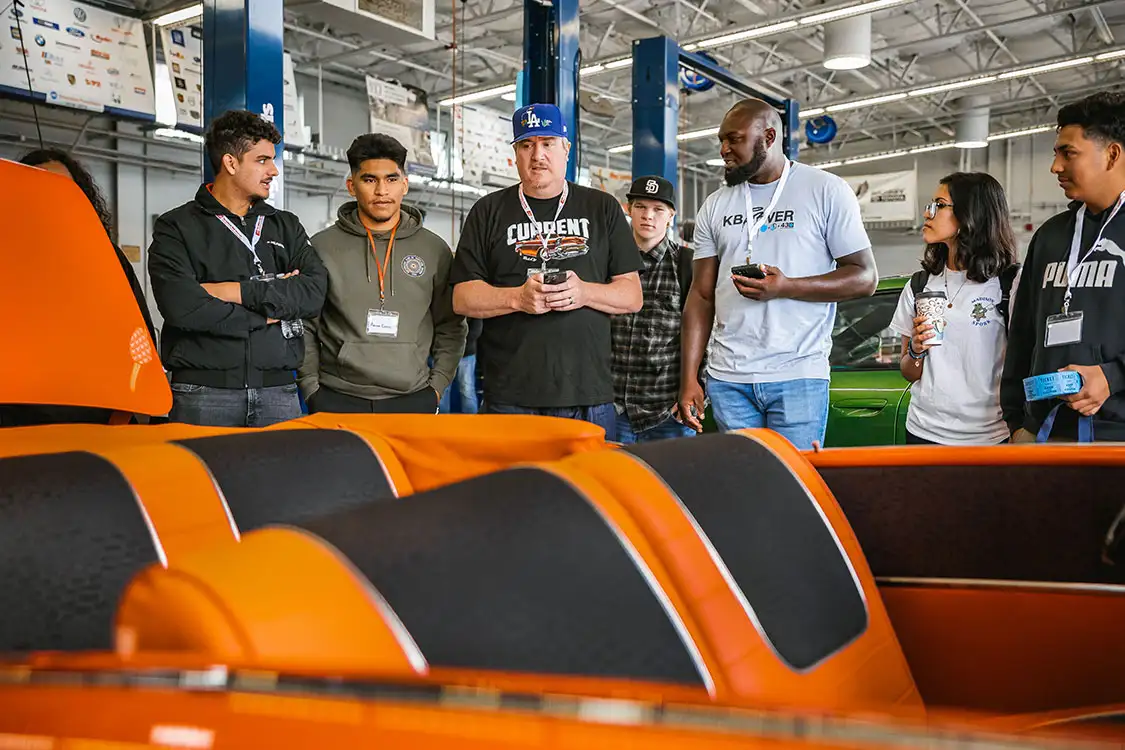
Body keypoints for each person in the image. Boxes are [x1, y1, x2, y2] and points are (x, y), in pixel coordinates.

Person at [679, 98, 878, 450]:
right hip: (728, 379)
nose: (724, 150)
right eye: (721, 140)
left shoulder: (825, 190)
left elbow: (865, 278)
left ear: (769, 137)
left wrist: (786, 286)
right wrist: (689, 377)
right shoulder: (715, 204)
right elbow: (701, 294)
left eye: (734, 139)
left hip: (798, 374)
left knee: (793, 480)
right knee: (742, 479)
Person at [450, 103, 643, 439]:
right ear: (515, 153)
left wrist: (583, 292)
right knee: (513, 476)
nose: (537, 155)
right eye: (527, 145)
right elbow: (462, 297)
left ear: (566, 149)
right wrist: (517, 298)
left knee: (592, 475)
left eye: (547, 143)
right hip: (509, 397)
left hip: (587, 395)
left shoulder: (602, 208)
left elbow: (632, 295)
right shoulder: (488, 211)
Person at [148, 110, 327, 428]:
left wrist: (233, 291)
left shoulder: (285, 226)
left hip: (278, 392)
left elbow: (313, 293)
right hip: (203, 393)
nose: (273, 170)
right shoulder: (176, 227)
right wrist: (269, 313)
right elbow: (183, 307)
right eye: (262, 160)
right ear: (230, 163)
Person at [298, 133, 466, 414]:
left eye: (391, 179)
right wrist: (311, 389)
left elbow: (451, 325)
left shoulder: (433, 249)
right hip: (337, 397)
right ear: (351, 186)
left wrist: (437, 387)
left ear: (405, 185)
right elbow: (305, 324)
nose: (381, 191)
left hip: (413, 397)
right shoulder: (321, 247)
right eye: (369, 180)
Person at [0, 149, 158, 427]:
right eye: (41, 185)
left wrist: (123, 413)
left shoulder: (106, 256)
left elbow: (138, 336)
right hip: (15, 422)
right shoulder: (8, 257)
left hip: (96, 419)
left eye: (65, 187)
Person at [1001, 92, 1125, 442]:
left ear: (1112, 154)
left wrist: (1112, 376)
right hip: (1046, 432)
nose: (1055, 167)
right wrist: (1017, 422)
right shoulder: (1051, 236)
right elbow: (1022, 334)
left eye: (1068, 153)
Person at [891, 173, 1019, 445]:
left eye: (939, 205)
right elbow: (909, 371)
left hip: (989, 437)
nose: (927, 213)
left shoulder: (1009, 285)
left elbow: (1025, 364)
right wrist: (916, 349)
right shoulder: (919, 285)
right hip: (924, 432)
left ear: (970, 214)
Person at [611, 175, 696, 443]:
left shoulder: (687, 265)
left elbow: (705, 335)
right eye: (640, 207)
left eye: (658, 209)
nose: (648, 216)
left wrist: (696, 390)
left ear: (671, 216)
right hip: (613, 409)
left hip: (667, 411)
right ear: (629, 210)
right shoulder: (607, 263)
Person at [439, 317, 482, 414]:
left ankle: (471, 421)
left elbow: (476, 330)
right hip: (445, 353)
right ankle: (442, 421)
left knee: (467, 390)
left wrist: (459, 344)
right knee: (443, 390)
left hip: (466, 354)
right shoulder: (443, 310)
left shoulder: (473, 310)